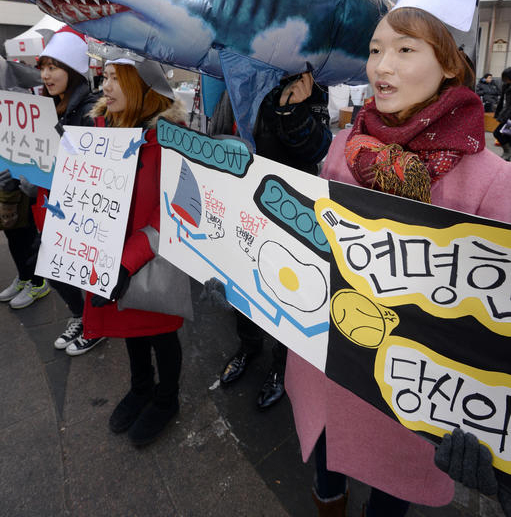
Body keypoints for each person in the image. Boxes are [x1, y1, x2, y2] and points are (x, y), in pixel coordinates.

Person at [284, 7, 511, 516]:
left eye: (405, 50)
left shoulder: (493, 181)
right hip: (325, 364)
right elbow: (312, 244)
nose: (381, 66)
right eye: (375, 50)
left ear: (450, 64)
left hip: (406, 397)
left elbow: (495, 323)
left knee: (389, 493)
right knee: (325, 467)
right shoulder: (345, 144)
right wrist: (247, 278)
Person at [82, 53, 188, 446]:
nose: (105, 87)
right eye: (104, 77)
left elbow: (173, 213)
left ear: (142, 87)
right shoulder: (98, 133)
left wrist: (126, 263)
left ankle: (167, 398)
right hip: (112, 259)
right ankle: (141, 387)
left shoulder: (172, 141)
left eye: (115, 78)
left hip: (153, 261)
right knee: (129, 327)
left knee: (160, 331)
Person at [209, 72, 332, 409]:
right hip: (239, 202)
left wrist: (292, 111)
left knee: (286, 293)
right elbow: (216, 133)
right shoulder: (232, 72)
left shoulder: (310, 79)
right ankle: (248, 347)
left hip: (286, 207)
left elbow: (320, 146)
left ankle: (282, 365)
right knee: (241, 283)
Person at [35, 26, 101, 354]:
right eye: (43, 67)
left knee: (84, 268)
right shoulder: (44, 106)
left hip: (81, 208)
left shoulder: (91, 109)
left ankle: (95, 324)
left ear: (73, 71)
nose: (46, 75)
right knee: (54, 267)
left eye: (54, 67)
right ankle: (80, 315)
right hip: (49, 202)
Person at [0, 171, 50, 308]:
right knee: (11, 228)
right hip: (9, 165)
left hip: (33, 167)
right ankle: (24, 277)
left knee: (29, 231)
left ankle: (37, 283)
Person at [493, 67, 511, 161]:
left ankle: (508, 153)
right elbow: (502, 101)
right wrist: (498, 114)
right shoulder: (506, 86)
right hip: (507, 114)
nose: (505, 80)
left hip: (509, 116)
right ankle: (508, 153)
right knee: (503, 134)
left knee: (498, 133)